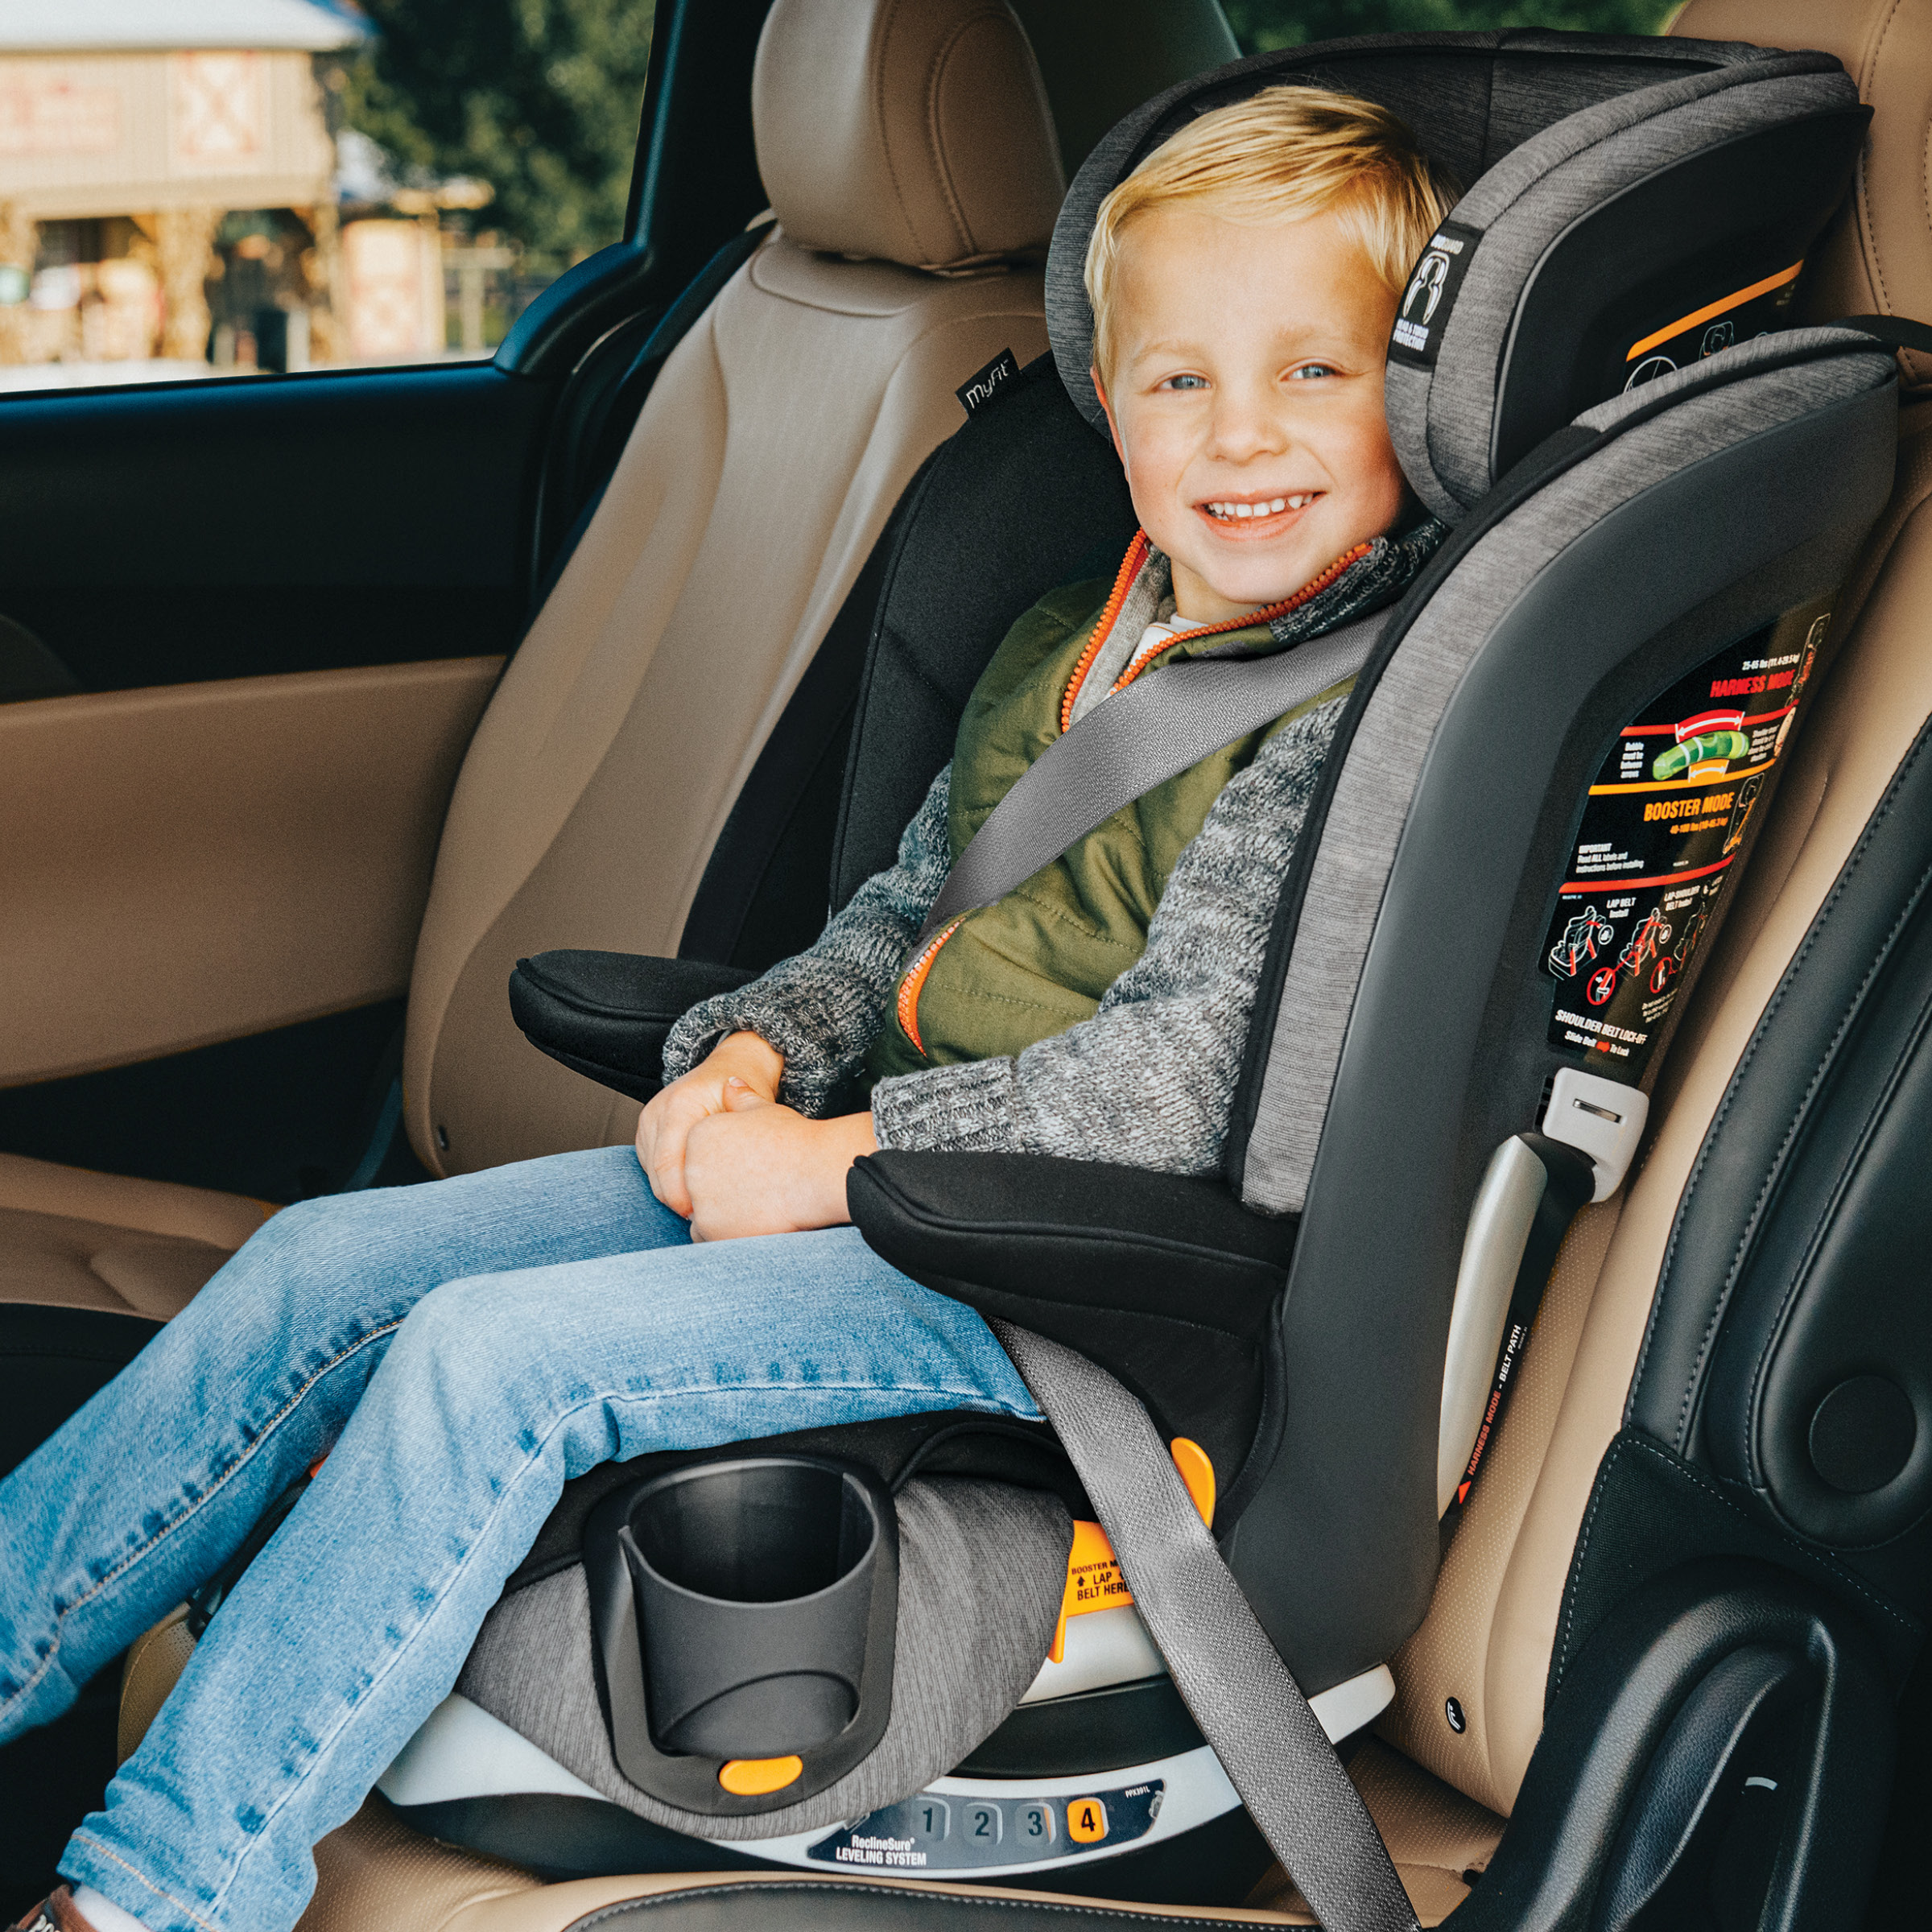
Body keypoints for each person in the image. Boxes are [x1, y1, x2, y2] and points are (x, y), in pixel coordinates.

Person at [3, 86, 1455, 1932]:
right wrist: (754, 1053)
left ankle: (154, 1896)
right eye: (1183, 380)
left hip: (1065, 1279)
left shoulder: (1352, 721)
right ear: (1108, 396)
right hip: (887, 1193)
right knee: (315, 1264)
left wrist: (836, 1162)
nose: (1242, 433)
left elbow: (1184, 1090)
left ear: (1417, 395)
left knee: (485, 1364)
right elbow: (906, 913)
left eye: (1314, 372)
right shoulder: (1076, 635)